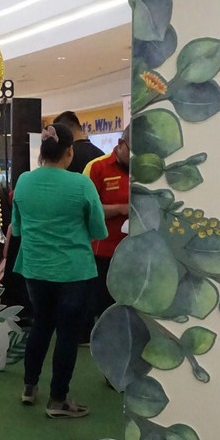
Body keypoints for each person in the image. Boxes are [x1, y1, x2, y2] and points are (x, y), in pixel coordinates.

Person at [12, 122, 107, 417]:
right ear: (69, 152)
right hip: (73, 271)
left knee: (41, 325)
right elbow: (98, 230)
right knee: (67, 334)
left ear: (42, 152)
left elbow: (16, 228)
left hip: (35, 268)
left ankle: (29, 387)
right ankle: (58, 400)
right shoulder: (81, 184)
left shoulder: (24, 181)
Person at [84, 125, 130, 317]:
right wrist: (121, 208)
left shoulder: (149, 169)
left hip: (137, 253)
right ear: (120, 144)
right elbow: (86, 210)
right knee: (105, 309)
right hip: (104, 252)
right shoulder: (97, 167)